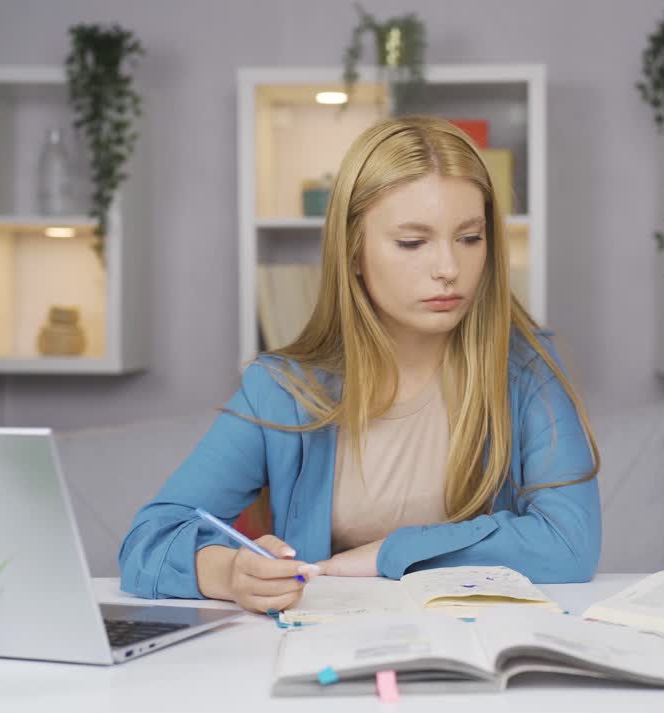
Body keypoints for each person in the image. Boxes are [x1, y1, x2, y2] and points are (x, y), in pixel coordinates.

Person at [119, 115, 601, 613]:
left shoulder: (527, 369)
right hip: (330, 657)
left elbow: (570, 545)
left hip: (479, 649)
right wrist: (230, 573)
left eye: (470, 238)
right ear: (353, 252)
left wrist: (391, 554)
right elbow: (147, 543)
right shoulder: (283, 389)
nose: (449, 269)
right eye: (413, 242)